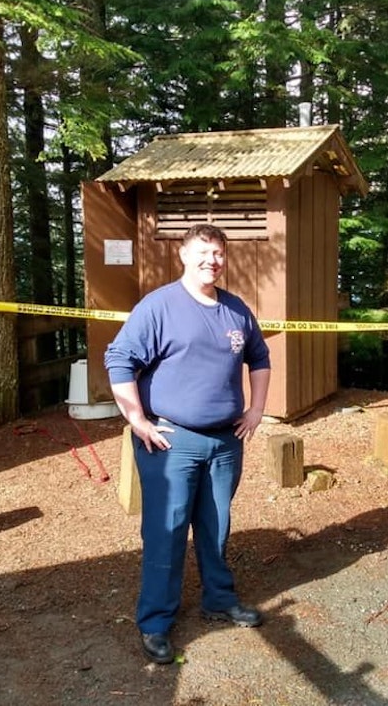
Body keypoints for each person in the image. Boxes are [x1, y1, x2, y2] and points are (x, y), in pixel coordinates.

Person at [104, 223, 271, 664]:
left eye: (217, 253)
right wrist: (137, 419)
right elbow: (119, 359)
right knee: (168, 529)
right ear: (183, 255)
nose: (210, 260)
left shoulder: (236, 310)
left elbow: (259, 357)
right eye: (202, 252)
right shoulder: (158, 307)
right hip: (171, 442)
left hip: (225, 443)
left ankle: (219, 599)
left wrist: (256, 409)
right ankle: (156, 621)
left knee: (216, 525)